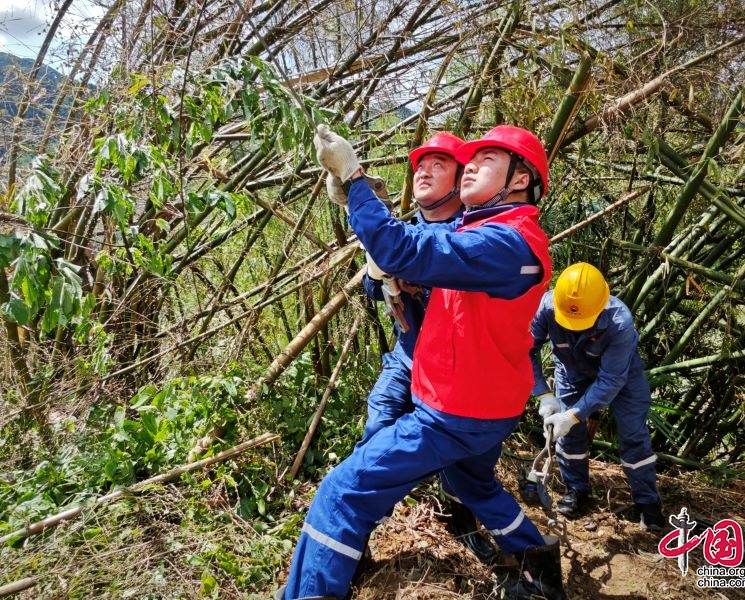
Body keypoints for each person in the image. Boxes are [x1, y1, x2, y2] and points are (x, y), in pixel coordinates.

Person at [275, 124, 566, 600]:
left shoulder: (507, 243)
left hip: (456, 411)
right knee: (472, 483)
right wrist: (365, 221)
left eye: (486, 160)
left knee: (341, 493)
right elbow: (413, 253)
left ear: (519, 180)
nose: (469, 164)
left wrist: (356, 180)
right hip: (475, 404)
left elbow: (408, 249)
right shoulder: (483, 231)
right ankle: (538, 566)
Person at [357, 133, 496, 563]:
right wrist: (377, 274)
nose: (423, 170)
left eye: (438, 164)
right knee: (375, 437)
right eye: (420, 164)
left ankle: (461, 518)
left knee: (472, 460)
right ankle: (356, 539)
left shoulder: (475, 234)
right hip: (407, 357)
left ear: (460, 179)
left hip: (460, 371)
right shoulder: (403, 232)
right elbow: (371, 291)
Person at [530, 262, 666, 532]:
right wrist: (543, 394)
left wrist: (573, 415)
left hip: (622, 378)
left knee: (633, 435)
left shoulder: (619, 323)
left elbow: (610, 380)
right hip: (571, 373)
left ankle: (647, 502)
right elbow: (524, 351)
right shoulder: (546, 308)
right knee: (570, 438)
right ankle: (576, 490)